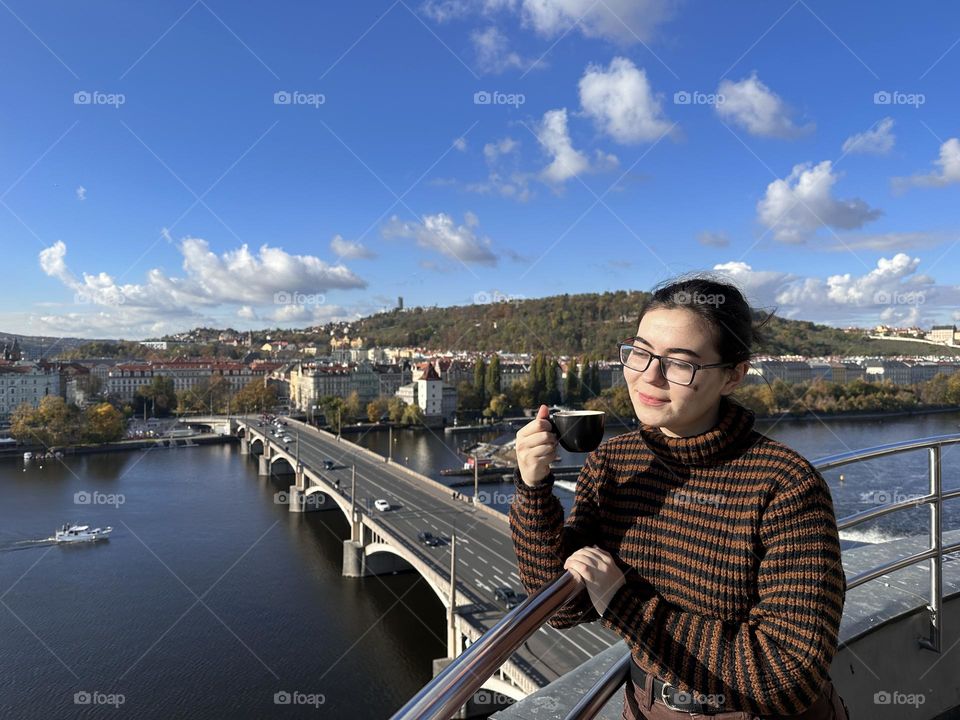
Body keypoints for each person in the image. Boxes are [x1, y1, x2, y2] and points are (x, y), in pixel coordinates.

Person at [510, 276, 849, 719]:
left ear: (733, 375)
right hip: (646, 706)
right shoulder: (614, 462)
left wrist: (623, 604)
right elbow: (564, 609)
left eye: (680, 363)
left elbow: (789, 676)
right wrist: (534, 489)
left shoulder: (785, 484)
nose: (649, 375)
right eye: (640, 352)